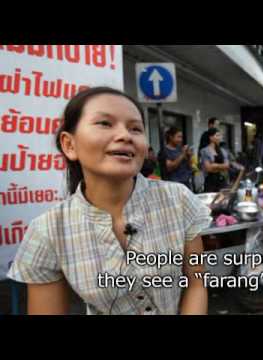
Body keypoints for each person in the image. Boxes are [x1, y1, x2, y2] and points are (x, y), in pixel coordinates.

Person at [7, 87, 211, 315]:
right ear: (69, 145)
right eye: (105, 123)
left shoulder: (179, 199)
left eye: (135, 128)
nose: (125, 135)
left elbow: (196, 284)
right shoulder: (47, 231)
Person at [200, 128, 230, 193]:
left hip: (222, 181)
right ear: (211, 137)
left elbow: (227, 166)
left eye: (220, 135)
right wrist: (221, 167)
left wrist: (214, 165)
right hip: (210, 183)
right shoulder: (205, 151)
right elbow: (208, 169)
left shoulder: (223, 151)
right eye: (217, 135)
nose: (219, 137)